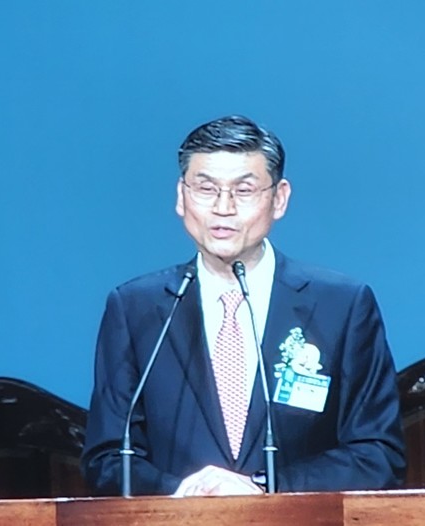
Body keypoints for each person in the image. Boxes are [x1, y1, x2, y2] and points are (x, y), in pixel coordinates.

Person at [81, 115, 406, 497]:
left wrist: (262, 488)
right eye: (206, 189)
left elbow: (377, 455)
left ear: (279, 198)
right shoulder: (135, 308)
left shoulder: (341, 305)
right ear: (181, 196)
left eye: (244, 190)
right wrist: (185, 493)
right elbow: (107, 458)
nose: (224, 207)